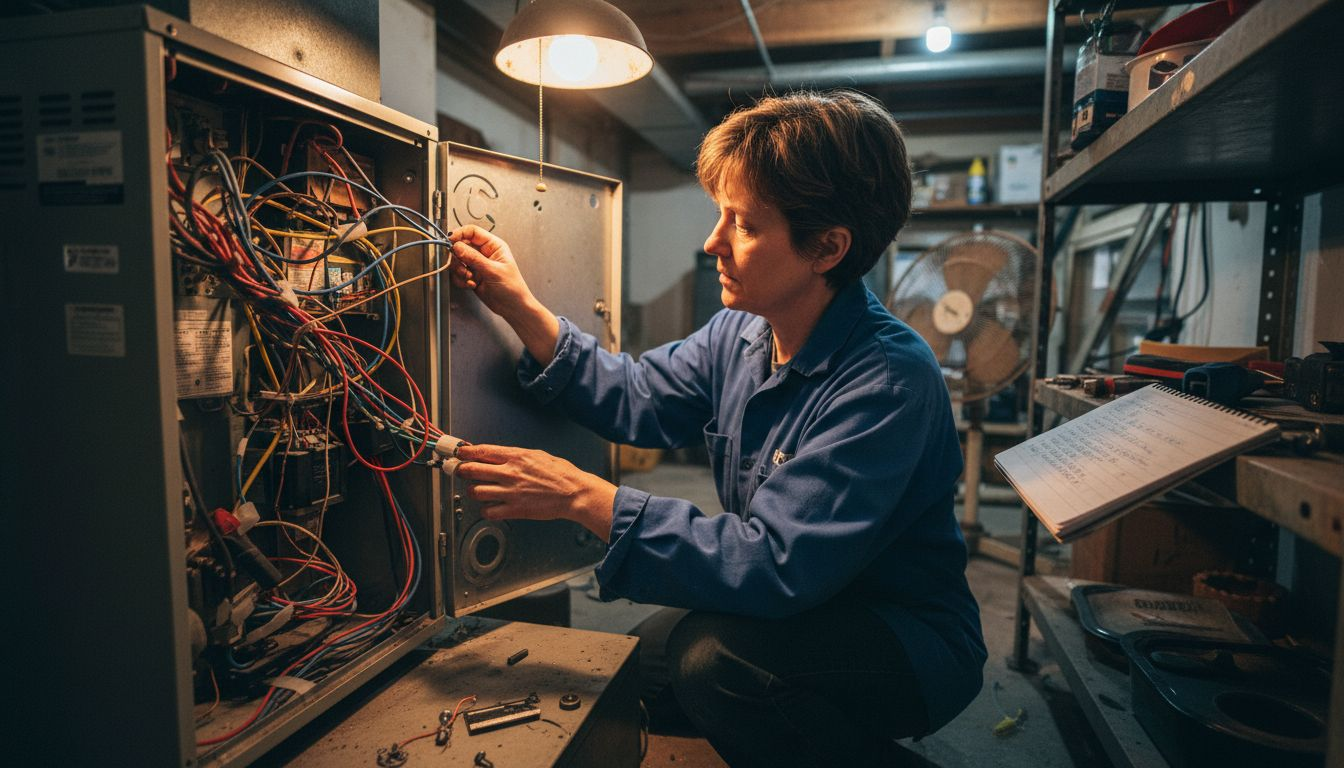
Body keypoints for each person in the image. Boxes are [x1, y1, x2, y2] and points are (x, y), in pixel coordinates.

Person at [447, 89, 985, 767]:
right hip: (809, 605)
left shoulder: (886, 381)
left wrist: (584, 498)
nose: (713, 244)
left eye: (745, 225)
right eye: (719, 216)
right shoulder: (742, 330)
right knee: (634, 668)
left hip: (901, 636)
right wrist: (520, 308)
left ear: (827, 247)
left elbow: (772, 564)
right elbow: (638, 397)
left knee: (714, 667)